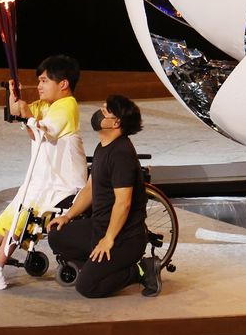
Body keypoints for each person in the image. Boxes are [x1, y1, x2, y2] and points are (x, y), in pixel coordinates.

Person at [0, 55, 87, 291]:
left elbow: (42, 131)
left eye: (44, 81)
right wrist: (15, 93)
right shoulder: (47, 106)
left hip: (62, 185)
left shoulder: (67, 106)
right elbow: (18, 113)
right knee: (8, 215)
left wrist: (28, 115)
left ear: (63, 83)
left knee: (20, 216)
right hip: (43, 182)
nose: (40, 86)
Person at [47, 95, 161, 298]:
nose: (99, 112)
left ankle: (141, 270)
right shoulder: (103, 147)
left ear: (116, 122)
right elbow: (91, 188)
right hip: (98, 226)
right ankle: (98, 268)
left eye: (105, 110)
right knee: (57, 235)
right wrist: (68, 216)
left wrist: (109, 239)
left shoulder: (121, 154)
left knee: (86, 288)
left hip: (124, 238)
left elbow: (123, 203)